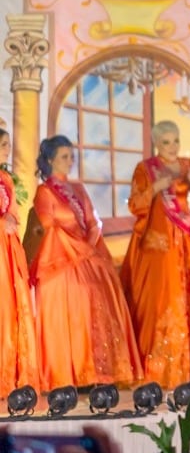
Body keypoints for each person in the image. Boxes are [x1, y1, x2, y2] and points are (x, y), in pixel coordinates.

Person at [30, 135, 142, 389]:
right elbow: (48, 226)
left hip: (87, 256)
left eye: (71, 156)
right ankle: (70, 375)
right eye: (64, 157)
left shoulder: (79, 188)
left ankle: (97, 373)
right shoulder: (44, 191)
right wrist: (80, 249)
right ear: (49, 160)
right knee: (73, 313)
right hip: (61, 260)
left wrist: (90, 244)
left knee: (97, 306)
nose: (70, 162)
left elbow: (93, 221)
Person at [121, 120, 190, 389]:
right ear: (156, 143)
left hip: (187, 243)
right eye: (166, 141)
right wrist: (155, 188)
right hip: (160, 245)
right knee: (161, 301)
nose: (172, 146)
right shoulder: (145, 169)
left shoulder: (188, 165)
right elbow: (134, 204)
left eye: (175, 140)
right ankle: (162, 370)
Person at [0, 128, 39, 394]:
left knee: (11, 308)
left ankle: (10, 375)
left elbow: (12, 213)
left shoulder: (6, 178)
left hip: (8, 248)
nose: (7, 148)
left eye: (8, 143)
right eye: (2, 143)